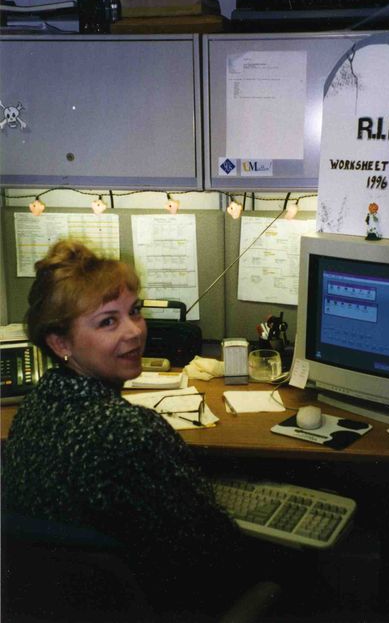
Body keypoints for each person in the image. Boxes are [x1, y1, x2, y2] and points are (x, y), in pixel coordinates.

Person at [2, 240, 250, 616]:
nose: (134, 332)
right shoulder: (130, 431)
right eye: (107, 321)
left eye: (134, 311)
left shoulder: (36, 404)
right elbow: (215, 549)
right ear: (60, 342)